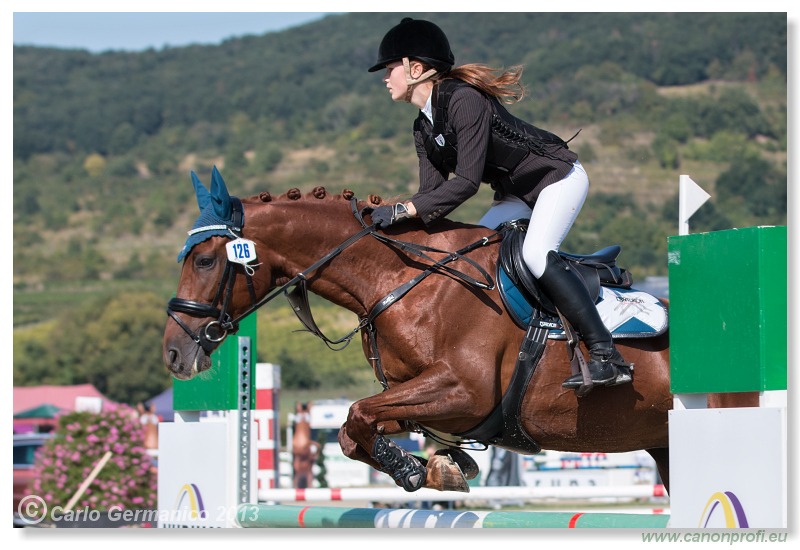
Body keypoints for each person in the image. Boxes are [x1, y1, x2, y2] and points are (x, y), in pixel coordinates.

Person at [367, 17, 631, 390]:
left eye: (390, 67)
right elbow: (432, 197)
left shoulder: (464, 99)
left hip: (555, 179)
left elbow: (467, 184)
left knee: (537, 255)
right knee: (473, 260)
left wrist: (404, 210)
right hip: (514, 193)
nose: (385, 76)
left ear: (416, 68)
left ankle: (607, 356)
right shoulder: (422, 127)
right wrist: (393, 225)